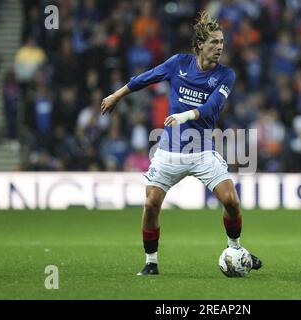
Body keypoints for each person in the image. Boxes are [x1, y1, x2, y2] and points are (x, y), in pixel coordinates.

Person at [100, 11, 262, 275]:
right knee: (151, 203)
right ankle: (151, 262)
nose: (219, 47)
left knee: (231, 201)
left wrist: (185, 115)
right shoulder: (178, 63)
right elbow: (146, 77)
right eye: (214, 42)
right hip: (169, 151)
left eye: (221, 42)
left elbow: (213, 107)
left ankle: (236, 248)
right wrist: (117, 95)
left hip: (202, 151)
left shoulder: (225, 75)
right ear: (200, 45)